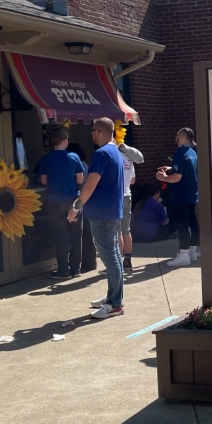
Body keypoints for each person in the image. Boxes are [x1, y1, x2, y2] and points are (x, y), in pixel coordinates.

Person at [67, 117, 125, 319]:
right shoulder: (115, 151)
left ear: (98, 132)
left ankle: (114, 303)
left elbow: (89, 186)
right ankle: (113, 296)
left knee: (110, 258)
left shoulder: (101, 154)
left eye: (92, 130)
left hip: (103, 215)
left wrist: (75, 208)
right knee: (114, 256)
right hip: (111, 212)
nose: (91, 134)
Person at [37, 128, 85, 279]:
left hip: (54, 202)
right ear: (65, 141)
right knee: (76, 235)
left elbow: (44, 181)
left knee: (61, 236)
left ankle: (63, 269)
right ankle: (76, 269)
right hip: (73, 201)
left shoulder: (45, 159)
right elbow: (80, 180)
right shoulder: (74, 157)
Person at [157, 128, 199, 267]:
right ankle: (192, 252)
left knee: (182, 226)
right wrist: (172, 168)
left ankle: (183, 255)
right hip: (192, 195)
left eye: (176, 135)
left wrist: (163, 177)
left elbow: (176, 178)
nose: (175, 138)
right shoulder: (193, 153)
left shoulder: (179, 154)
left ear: (181, 136)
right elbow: (189, 170)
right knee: (193, 223)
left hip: (180, 196)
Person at [67, 142, 96, 273]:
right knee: (87, 233)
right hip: (88, 202)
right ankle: (90, 262)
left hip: (82, 201)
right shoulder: (86, 165)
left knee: (85, 233)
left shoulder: (80, 166)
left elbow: (82, 183)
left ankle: (88, 262)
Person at [118, 136, 143, 272]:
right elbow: (132, 180)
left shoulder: (112, 156)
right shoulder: (129, 158)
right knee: (126, 230)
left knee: (117, 232)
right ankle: (127, 262)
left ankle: (117, 264)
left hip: (116, 197)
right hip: (127, 195)